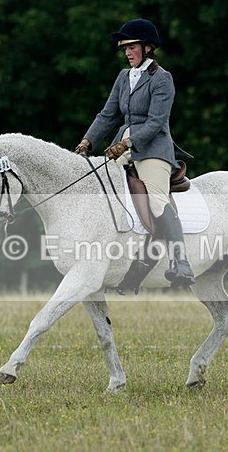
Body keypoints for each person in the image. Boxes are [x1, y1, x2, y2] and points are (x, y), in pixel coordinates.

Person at [74, 18, 194, 288]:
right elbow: (108, 114)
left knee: (157, 200)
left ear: (148, 48)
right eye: (124, 48)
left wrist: (126, 145)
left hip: (153, 148)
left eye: (132, 47)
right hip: (122, 145)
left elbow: (155, 122)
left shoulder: (162, 79)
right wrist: (87, 141)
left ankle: (181, 262)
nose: (127, 52)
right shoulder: (123, 77)